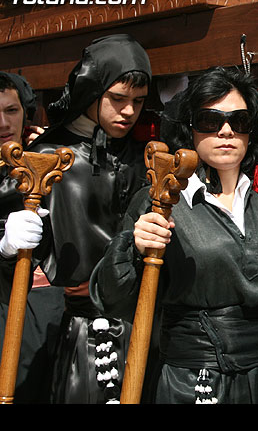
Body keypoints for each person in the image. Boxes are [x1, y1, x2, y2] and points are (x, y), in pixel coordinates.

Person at [90, 66, 258, 404]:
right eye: (209, 120)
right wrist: (133, 248)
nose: (227, 131)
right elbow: (113, 298)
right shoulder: (160, 199)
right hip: (197, 379)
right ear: (190, 129)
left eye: (240, 121)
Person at [0, 34, 153, 403]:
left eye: (138, 102)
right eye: (118, 99)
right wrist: (5, 243)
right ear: (93, 91)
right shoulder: (46, 157)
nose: (128, 112)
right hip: (82, 333)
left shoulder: (144, 158)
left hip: (147, 324)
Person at [0, 72, 65, 403]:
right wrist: (3, 246)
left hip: (45, 311)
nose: (3, 123)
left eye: (11, 111)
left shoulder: (44, 162)